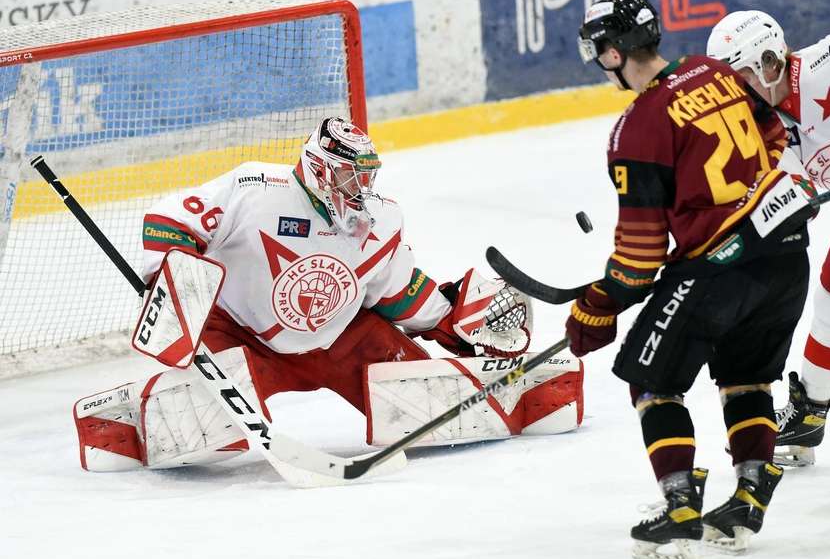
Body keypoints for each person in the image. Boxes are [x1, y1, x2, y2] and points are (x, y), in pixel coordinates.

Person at [73, 116, 584, 474]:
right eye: (348, 175)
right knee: (203, 429)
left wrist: (451, 318)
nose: (358, 187)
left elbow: (397, 290)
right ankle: (124, 423)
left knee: (432, 408)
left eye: (365, 176)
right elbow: (170, 221)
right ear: (319, 167)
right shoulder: (255, 188)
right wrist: (172, 274)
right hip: (239, 337)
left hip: (341, 341)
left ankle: (521, 398)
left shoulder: (379, 218)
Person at [570, 0, 811, 559]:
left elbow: (639, 255)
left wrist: (599, 304)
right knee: (747, 377)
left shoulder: (636, 129)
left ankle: (679, 510)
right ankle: (749, 500)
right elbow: (774, 137)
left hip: (719, 276)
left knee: (652, 380)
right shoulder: (716, 72)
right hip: (785, 257)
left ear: (611, 55)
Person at [707, 12, 830, 466]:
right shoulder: (761, 124)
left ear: (771, 62)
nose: (735, 94)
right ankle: (809, 413)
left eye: (742, 78)